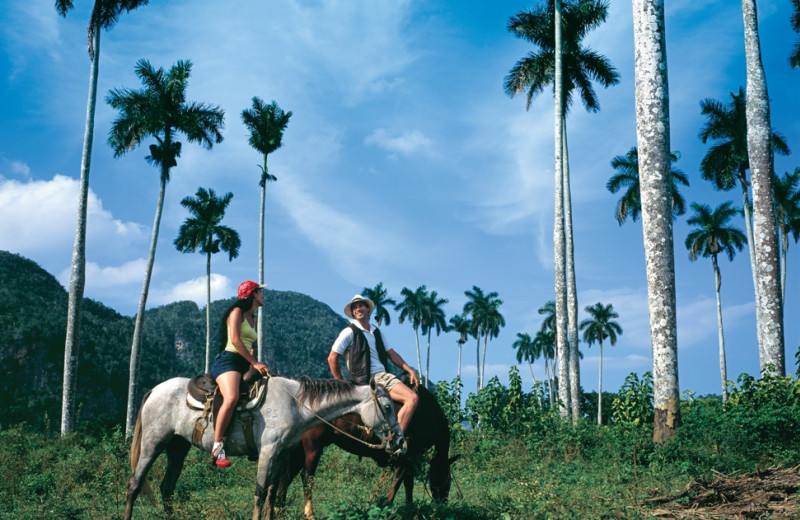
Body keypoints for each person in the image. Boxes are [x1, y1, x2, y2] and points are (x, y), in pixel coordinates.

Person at [328, 294, 419, 434]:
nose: (358, 309)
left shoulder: (377, 332)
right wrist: (340, 384)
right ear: (353, 312)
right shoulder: (349, 332)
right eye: (355, 307)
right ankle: (396, 441)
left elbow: (392, 354)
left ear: (367, 309)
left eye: (361, 305)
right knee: (412, 398)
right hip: (373, 379)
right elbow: (332, 357)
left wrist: (410, 370)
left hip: (381, 377)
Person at [209, 280, 270, 468]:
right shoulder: (237, 312)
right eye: (260, 292)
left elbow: (252, 347)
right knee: (232, 397)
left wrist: (255, 365)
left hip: (245, 364)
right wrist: (255, 363)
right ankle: (217, 447)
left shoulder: (254, 319)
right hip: (229, 361)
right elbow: (235, 340)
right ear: (253, 294)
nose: (263, 295)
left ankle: (252, 441)